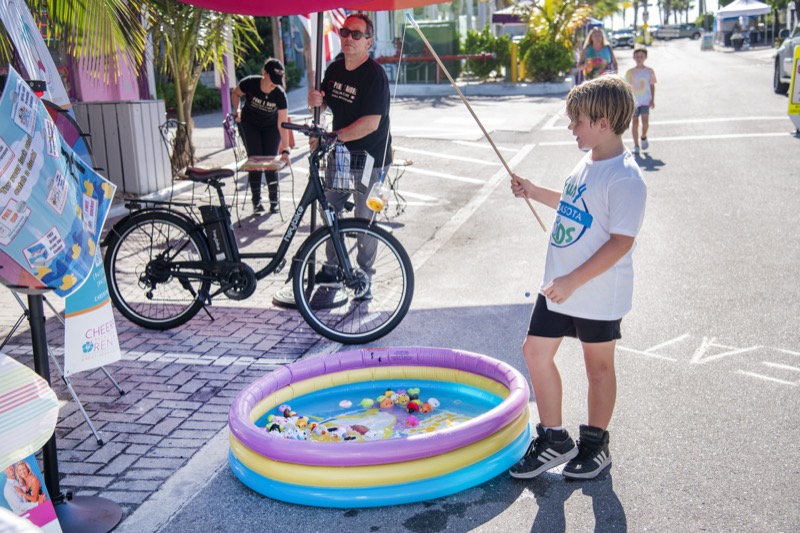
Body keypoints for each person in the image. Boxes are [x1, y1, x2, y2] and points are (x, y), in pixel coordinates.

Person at [507, 75, 647, 480]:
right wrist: (535, 192)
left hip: (596, 292)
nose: (571, 127)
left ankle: (595, 444)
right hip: (559, 285)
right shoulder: (588, 159)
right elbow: (574, 206)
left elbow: (620, 242)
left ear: (603, 123)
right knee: (535, 352)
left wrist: (573, 282)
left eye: (578, 120)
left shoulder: (625, 177)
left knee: (598, 368)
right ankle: (554, 439)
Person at [307, 13, 392, 300]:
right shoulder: (334, 70)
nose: (348, 39)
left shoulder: (375, 75)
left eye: (356, 35)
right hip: (341, 155)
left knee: (364, 220)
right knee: (329, 210)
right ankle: (332, 269)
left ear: (368, 41)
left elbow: (371, 123)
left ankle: (363, 278)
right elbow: (325, 102)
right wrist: (315, 102)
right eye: (345, 32)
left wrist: (334, 136)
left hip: (371, 158)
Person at [231, 58, 291, 214]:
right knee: (256, 160)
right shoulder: (249, 83)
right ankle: (256, 202)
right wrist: (237, 110)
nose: (274, 86)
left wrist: (286, 149)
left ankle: (274, 201)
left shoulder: (279, 95)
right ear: (264, 73)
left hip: (271, 127)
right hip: (250, 124)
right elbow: (236, 94)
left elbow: (282, 124)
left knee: (270, 161)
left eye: (278, 82)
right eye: (272, 81)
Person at [625, 46, 657, 156]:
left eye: (641, 56)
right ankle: (636, 145)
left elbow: (652, 85)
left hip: (645, 101)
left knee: (645, 123)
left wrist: (652, 99)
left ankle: (643, 136)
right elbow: (626, 87)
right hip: (634, 102)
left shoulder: (649, 71)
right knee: (634, 123)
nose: (639, 58)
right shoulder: (630, 72)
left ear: (645, 57)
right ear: (634, 57)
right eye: (637, 56)